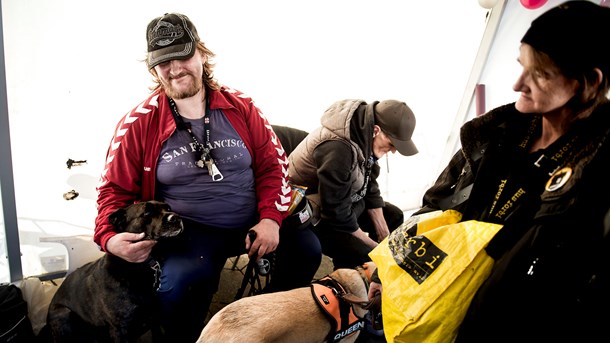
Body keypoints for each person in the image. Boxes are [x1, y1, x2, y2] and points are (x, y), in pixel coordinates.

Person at [368, 1, 610, 342]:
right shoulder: (495, 131)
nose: (517, 84)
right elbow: (435, 205)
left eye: (539, 73)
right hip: (441, 301)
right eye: (520, 66)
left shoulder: (599, 169)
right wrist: (389, 266)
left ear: (587, 83)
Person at [93, 12, 321, 341]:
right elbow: (112, 191)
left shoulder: (241, 106)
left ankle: (271, 323)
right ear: (153, 68)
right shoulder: (139, 123)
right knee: (183, 280)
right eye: (163, 62)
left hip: (253, 218)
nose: (174, 69)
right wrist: (109, 239)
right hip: (190, 228)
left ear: (201, 52)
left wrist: (271, 218)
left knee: (307, 250)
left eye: (182, 55)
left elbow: (274, 166)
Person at [288, 99, 418, 270]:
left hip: (343, 200)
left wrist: (384, 235)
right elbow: (336, 212)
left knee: (393, 216)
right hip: (309, 211)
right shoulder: (338, 148)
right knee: (363, 254)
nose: (393, 151)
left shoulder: (364, 136)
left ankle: (368, 270)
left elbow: (368, 185)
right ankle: (344, 284)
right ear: (376, 130)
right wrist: (375, 248)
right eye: (392, 144)